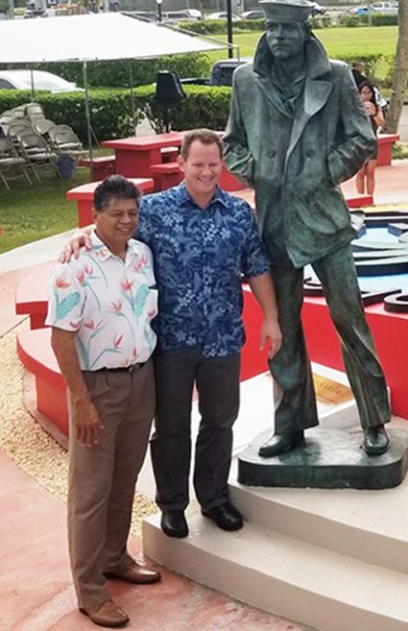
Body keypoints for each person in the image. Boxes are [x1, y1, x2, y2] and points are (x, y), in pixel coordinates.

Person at [67, 129, 282, 542]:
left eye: (213, 164)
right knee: (171, 426)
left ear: (223, 165)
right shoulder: (154, 211)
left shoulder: (239, 213)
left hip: (222, 338)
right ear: (181, 164)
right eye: (198, 164)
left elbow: (256, 266)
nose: (206, 172)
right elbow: (116, 236)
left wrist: (270, 318)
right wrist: (82, 238)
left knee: (220, 422)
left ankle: (215, 498)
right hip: (170, 341)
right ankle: (173, 504)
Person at [223, 0, 392, 458]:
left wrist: (322, 172)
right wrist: (255, 171)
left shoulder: (335, 76)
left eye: (289, 30)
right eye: (273, 28)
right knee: (283, 329)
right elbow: (232, 141)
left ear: (305, 33)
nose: (279, 37)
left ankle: (374, 419)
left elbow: (362, 137)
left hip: (326, 220)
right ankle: (290, 425)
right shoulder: (245, 81)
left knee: (350, 320)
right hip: (274, 222)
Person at [48, 176, 160, 629]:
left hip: (141, 379)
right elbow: (61, 339)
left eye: (132, 213)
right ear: (95, 215)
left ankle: (115, 557)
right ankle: (90, 591)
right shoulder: (73, 267)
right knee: (90, 491)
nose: (126, 221)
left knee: (125, 478)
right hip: (97, 386)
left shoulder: (141, 254)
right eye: (116, 214)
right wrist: (82, 400)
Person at [355, 80, 385, 196]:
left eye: (369, 93)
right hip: (360, 142)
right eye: (363, 93)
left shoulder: (376, 108)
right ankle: (360, 196)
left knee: (370, 172)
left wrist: (374, 113)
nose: (366, 95)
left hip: (372, 142)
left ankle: (370, 197)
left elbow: (381, 124)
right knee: (360, 172)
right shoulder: (355, 108)